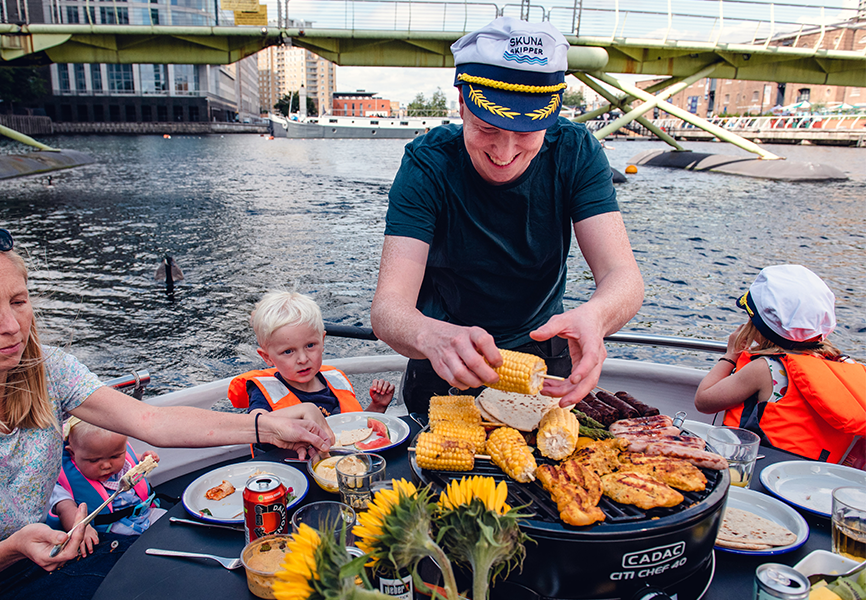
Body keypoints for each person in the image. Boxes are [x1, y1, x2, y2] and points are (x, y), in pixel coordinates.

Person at [0, 228, 334, 600]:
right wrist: (10, 549)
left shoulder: (49, 371)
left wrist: (270, 424)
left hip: (34, 563)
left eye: (19, 301)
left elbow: (151, 422)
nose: (12, 326)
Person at [370, 18, 643, 413]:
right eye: (487, 127)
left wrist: (597, 316)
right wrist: (429, 335)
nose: (504, 152)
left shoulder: (576, 151)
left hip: (543, 356)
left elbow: (624, 275)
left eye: (528, 132)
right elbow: (389, 306)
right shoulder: (427, 165)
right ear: (462, 104)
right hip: (442, 359)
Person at [694, 264, 866, 464]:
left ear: (759, 325)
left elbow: (704, 401)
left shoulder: (766, 368)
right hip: (811, 478)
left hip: (760, 472)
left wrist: (731, 355)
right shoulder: (843, 365)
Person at [228, 290, 395, 416]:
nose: (302, 359)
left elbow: (354, 431)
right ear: (267, 357)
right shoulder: (264, 394)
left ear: (322, 341)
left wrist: (377, 407)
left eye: (310, 345)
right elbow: (257, 424)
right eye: (288, 351)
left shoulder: (335, 380)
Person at [48, 417, 165, 557]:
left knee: (172, 524)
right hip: (111, 530)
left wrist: (144, 459)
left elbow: (131, 460)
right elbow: (65, 509)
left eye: (115, 456)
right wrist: (81, 528)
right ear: (73, 453)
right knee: (136, 551)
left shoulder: (119, 459)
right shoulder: (64, 482)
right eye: (94, 460)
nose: (106, 465)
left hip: (145, 514)